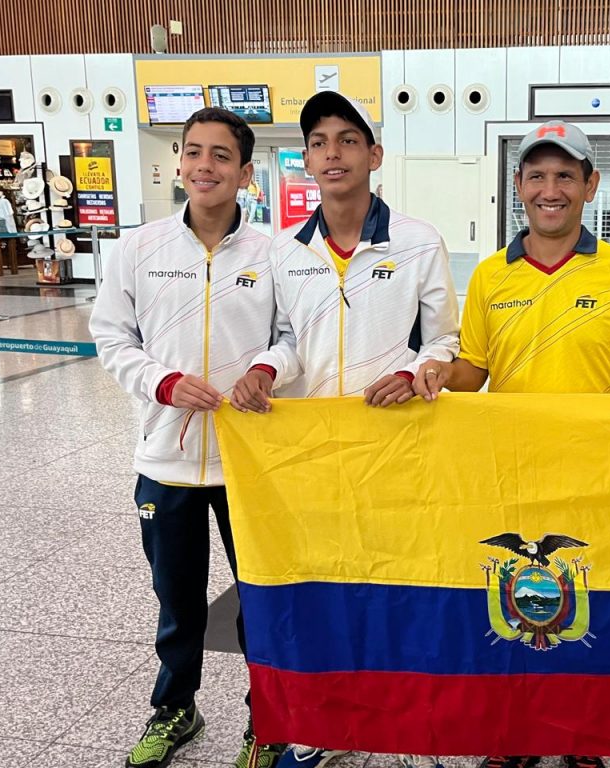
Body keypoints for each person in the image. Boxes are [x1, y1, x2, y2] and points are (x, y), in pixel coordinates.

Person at [412, 119, 610, 768]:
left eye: (566, 175)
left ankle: (583, 734)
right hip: (513, 472)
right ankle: (514, 734)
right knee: (514, 604)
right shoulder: (492, 276)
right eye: (537, 175)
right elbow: (474, 371)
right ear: (518, 185)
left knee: (585, 608)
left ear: (590, 185)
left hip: (595, 474)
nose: (550, 189)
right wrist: (439, 372)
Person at [230, 90, 460, 768]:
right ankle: (327, 723)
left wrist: (416, 371)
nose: (333, 153)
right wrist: (265, 369)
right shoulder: (286, 250)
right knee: (327, 588)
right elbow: (287, 339)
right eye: (319, 142)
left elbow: (445, 340)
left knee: (401, 586)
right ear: (305, 160)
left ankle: (409, 723)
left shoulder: (417, 242)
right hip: (315, 453)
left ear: (374, 155)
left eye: (348, 140)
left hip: (396, 446)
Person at [89, 107, 284, 768]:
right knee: (177, 602)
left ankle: (268, 718)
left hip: (247, 463)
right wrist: (162, 382)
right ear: (179, 162)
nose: (205, 166)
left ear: (245, 173)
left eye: (221, 155)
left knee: (260, 600)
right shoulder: (138, 248)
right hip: (165, 459)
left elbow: (294, 336)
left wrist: (268, 367)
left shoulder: (274, 254)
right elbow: (111, 335)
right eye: (194, 151)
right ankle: (176, 708)